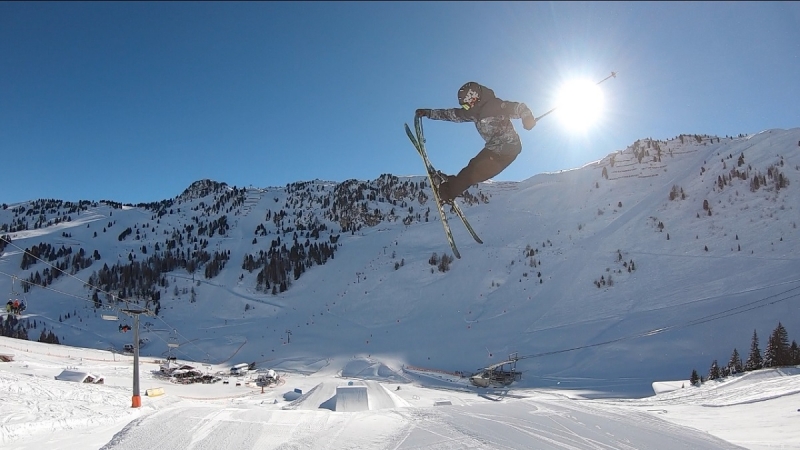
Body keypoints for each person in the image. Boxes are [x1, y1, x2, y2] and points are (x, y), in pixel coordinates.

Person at [416, 82, 537, 203]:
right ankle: (452, 185)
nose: (466, 109)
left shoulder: (495, 105)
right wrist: (429, 113)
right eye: (465, 107)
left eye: (467, 106)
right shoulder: (473, 113)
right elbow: (451, 114)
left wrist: (527, 118)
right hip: (493, 149)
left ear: (473, 98)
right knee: (473, 167)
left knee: (476, 170)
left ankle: (449, 192)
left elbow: (519, 107)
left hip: (508, 149)